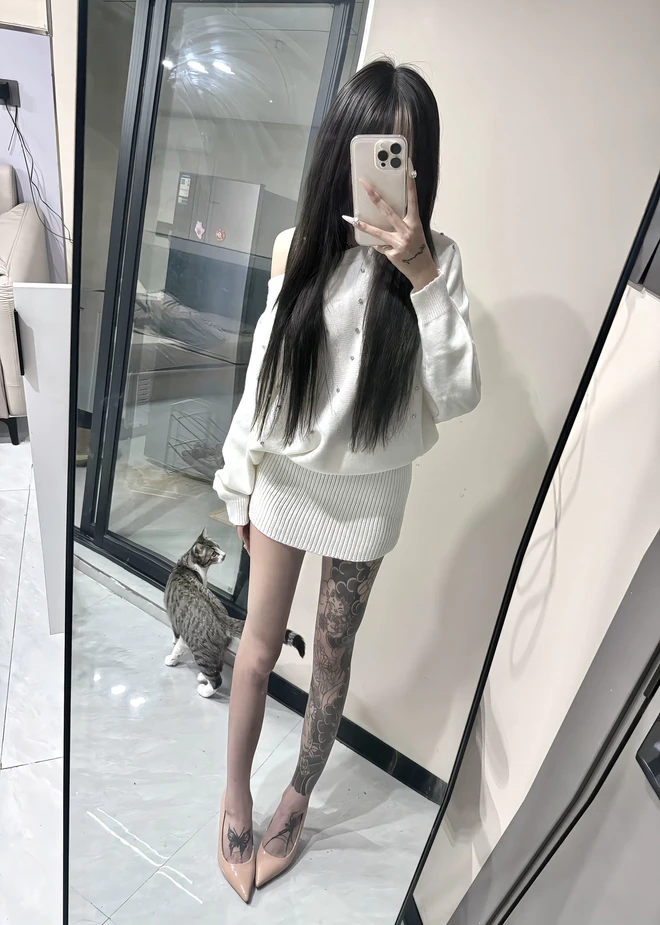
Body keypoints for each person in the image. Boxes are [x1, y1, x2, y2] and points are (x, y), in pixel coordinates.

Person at [213, 58, 481, 902]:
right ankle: (234, 796)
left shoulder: (440, 264)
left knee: (330, 659)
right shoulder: (298, 246)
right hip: (288, 480)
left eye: (403, 156)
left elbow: (458, 395)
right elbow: (263, 376)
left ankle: (296, 800)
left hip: (369, 499)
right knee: (257, 649)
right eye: (375, 151)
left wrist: (422, 274)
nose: (386, 174)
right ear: (344, 151)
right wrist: (238, 481)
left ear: (420, 167)